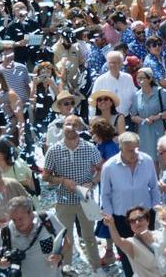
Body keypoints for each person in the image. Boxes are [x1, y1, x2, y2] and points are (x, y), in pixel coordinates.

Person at [42, 115, 104, 274]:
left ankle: (97, 268)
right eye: (68, 124)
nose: (71, 127)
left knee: (89, 237)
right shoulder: (54, 150)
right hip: (64, 201)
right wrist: (62, 180)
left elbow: (101, 168)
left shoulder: (90, 148)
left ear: (80, 128)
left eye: (75, 124)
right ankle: (66, 269)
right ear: (62, 127)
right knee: (65, 238)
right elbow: (45, 176)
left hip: (85, 199)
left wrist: (92, 182)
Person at [100, 132, 160, 277]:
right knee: (127, 257)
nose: (134, 153)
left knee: (149, 255)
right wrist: (110, 219)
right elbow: (105, 195)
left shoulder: (147, 160)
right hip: (122, 219)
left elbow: (154, 187)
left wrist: (155, 207)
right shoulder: (109, 167)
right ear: (120, 148)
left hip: (145, 217)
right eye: (130, 150)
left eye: (136, 149)